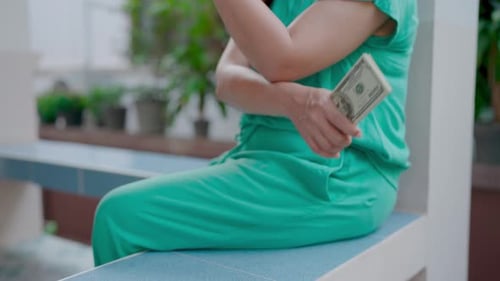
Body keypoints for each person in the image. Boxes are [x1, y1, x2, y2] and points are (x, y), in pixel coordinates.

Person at [92, 0, 418, 266]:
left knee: (119, 217)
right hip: (258, 162)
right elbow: (228, 79)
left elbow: (281, 59)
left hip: (335, 178)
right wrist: (295, 101)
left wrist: (290, 98)